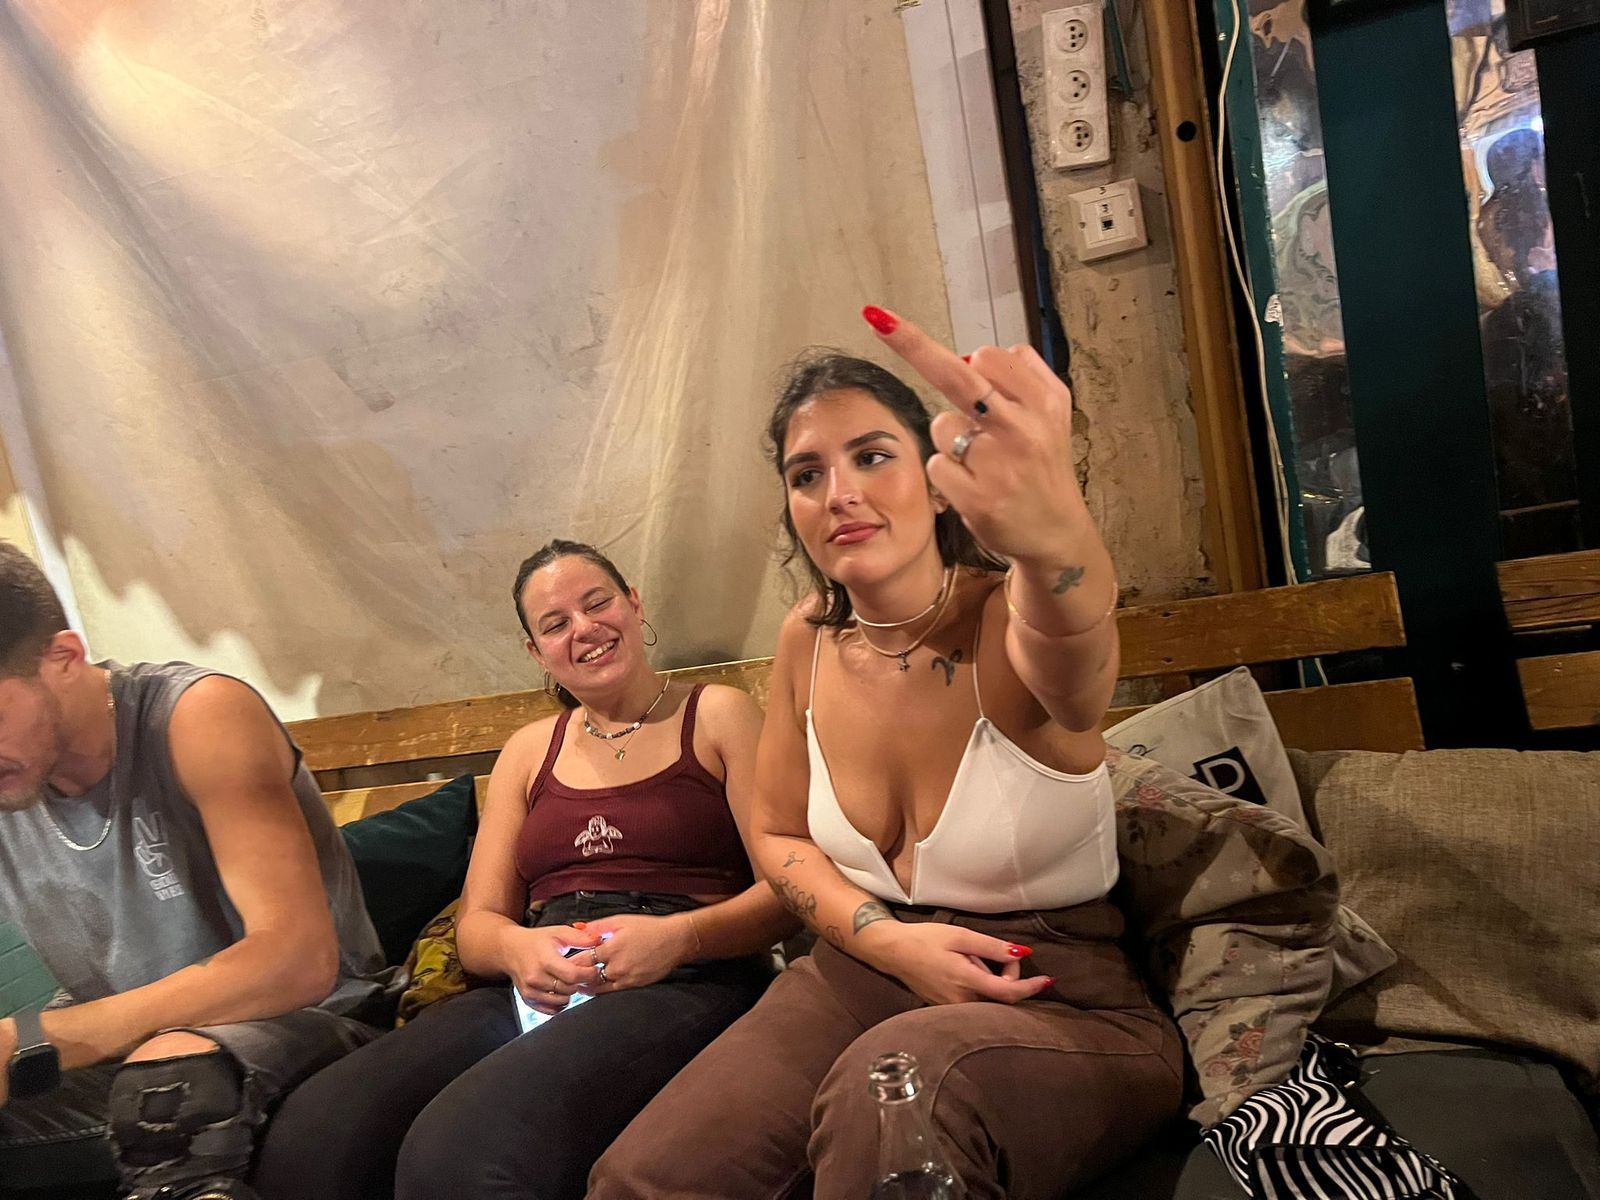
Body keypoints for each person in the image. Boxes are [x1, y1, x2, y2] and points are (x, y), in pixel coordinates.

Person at [589, 310, 1184, 1199]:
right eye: (807, 474)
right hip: (856, 973)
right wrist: (889, 942)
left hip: (1056, 995)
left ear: (939, 486)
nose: (839, 493)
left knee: (896, 1099)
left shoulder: (1009, 617)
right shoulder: (807, 638)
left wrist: (1058, 532)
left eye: (872, 456)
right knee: (645, 1175)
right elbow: (778, 835)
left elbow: (1078, 649)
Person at [255, 539, 794, 1200]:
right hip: (541, 979)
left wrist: (681, 939)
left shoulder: (717, 715)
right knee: (316, 1132)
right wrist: (518, 950)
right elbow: (478, 926)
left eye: (597, 603)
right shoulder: (529, 751)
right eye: (556, 623)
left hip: (688, 975)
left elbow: (789, 892)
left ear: (633, 604)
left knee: (461, 1149)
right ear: (537, 653)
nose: (584, 629)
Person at [0, 542, 400, 1200]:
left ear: (64, 658)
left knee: (166, 1091)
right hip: (130, 1054)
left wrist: (40, 1039)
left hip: (313, 1023)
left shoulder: (197, 716)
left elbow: (296, 961)